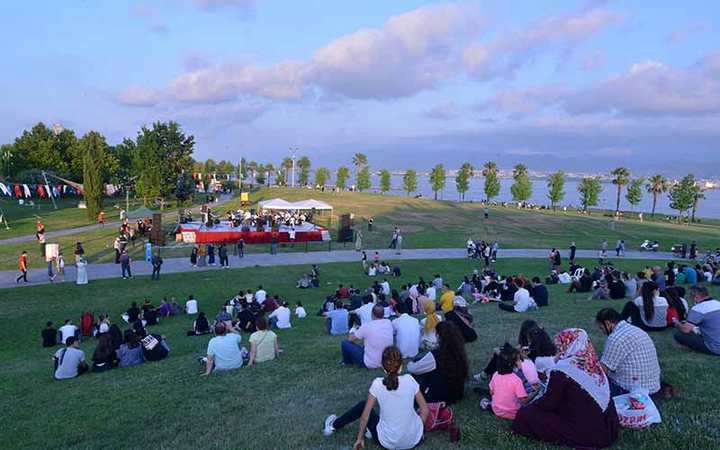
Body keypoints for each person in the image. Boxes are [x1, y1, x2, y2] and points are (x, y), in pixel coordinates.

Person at [512, 329, 619, 449]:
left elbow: (548, 404)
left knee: (526, 414)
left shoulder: (562, 370)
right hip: (609, 425)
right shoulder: (593, 364)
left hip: (590, 432)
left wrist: (534, 403)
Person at [323, 346, 429, 450]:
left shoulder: (377, 384)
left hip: (387, 442)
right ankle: (372, 430)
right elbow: (425, 410)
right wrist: (418, 432)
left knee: (362, 406)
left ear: (382, 366)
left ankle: (333, 426)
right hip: (413, 441)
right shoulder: (410, 380)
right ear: (401, 366)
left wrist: (360, 438)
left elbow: (365, 416)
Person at [596, 308, 661, 396]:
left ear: (608, 323)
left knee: (593, 382)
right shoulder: (635, 329)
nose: (602, 332)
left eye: (601, 328)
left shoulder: (615, 338)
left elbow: (602, 371)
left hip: (630, 391)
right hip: (653, 386)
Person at [408, 321, 469, 404]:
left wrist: (411, 363)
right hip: (457, 393)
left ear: (439, 336)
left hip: (437, 396)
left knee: (413, 376)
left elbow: (413, 369)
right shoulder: (459, 351)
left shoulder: (436, 355)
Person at [483, 343, 535, 420]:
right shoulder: (517, 379)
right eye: (519, 360)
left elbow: (491, 392)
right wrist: (535, 393)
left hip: (497, 410)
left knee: (484, 401)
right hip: (514, 414)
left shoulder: (496, 374)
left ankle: (488, 405)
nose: (521, 361)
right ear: (513, 364)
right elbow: (524, 401)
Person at [673, 285, 720, 355]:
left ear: (696, 297)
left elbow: (685, 330)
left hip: (716, 348)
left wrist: (677, 324)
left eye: (690, 296)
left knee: (678, 335)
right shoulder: (718, 303)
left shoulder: (698, 309)